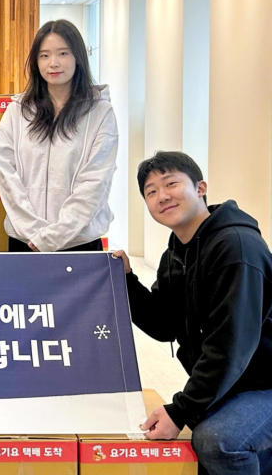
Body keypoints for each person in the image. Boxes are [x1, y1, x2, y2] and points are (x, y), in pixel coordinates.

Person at [113, 151, 272, 475]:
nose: (162, 196)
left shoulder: (236, 246)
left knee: (217, 440)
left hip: (264, 384)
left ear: (200, 188)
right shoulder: (176, 254)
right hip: (237, 383)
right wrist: (126, 280)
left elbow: (230, 347)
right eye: (151, 191)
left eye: (171, 184)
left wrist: (180, 410)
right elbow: (164, 325)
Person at [0, 19, 117, 252]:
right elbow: (6, 173)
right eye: (44, 55)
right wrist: (35, 232)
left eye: (63, 53)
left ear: (78, 57)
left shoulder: (100, 112)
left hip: (78, 242)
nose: (54, 63)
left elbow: (96, 181)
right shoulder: (18, 111)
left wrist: (54, 236)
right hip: (25, 241)